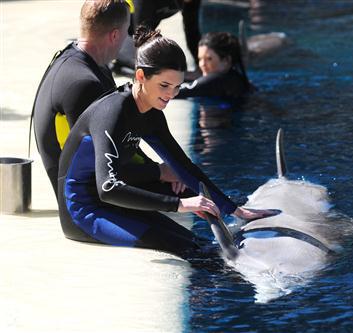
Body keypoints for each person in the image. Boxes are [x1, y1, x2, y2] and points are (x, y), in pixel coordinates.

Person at [57, 27, 276, 258]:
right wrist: (180, 205)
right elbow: (108, 188)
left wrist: (234, 209)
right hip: (83, 211)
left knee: (200, 244)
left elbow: (183, 167)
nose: (171, 94)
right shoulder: (112, 113)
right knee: (192, 250)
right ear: (141, 76)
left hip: (116, 205)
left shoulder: (151, 112)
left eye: (177, 87)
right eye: (164, 85)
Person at [32, 0, 130, 196]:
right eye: (127, 30)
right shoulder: (84, 83)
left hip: (91, 182)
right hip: (82, 200)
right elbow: (100, 163)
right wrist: (157, 171)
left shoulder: (81, 60)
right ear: (114, 35)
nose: (128, 37)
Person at [115, 0, 201, 73]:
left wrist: (200, 64)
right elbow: (141, 34)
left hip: (140, 25)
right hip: (118, 30)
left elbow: (192, 29)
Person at [176, 31, 253, 100]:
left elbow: (174, 92)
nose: (202, 64)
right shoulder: (235, 77)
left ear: (226, 60)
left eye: (209, 59)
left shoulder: (217, 80)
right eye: (200, 59)